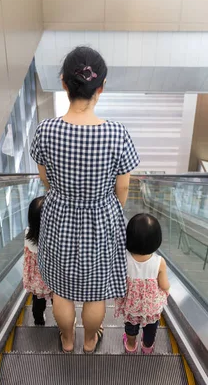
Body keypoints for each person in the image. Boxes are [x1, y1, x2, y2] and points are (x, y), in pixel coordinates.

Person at [30, 46, 140, 353]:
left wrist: (66, 194)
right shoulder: (118, 134)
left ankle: (67, 340)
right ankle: (90, 341)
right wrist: (109, 209)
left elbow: (45, 178)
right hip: (101, 218)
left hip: (58, 216)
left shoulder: (46, 130)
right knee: (95, 294)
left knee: (61, 291)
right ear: (101, 87)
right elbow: (123, 188)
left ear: (64, 83)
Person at [114, 214, 170, 354]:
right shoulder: (159, 262)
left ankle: (131, 346)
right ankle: (147, 346)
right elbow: (164, 285)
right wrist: (166, 287)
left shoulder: (123, 259)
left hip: (131, 305)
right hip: (150, 307)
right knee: (151, 328)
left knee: (131, 327)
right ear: (157, 240)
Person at [22, 196, 52, 325]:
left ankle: (38, 320)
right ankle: (63, 325)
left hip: (37, 280)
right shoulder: (55, 239)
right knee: (59, 302)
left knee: (38, 302)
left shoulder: (28, 234)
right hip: (55, 279)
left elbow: (29, 258)